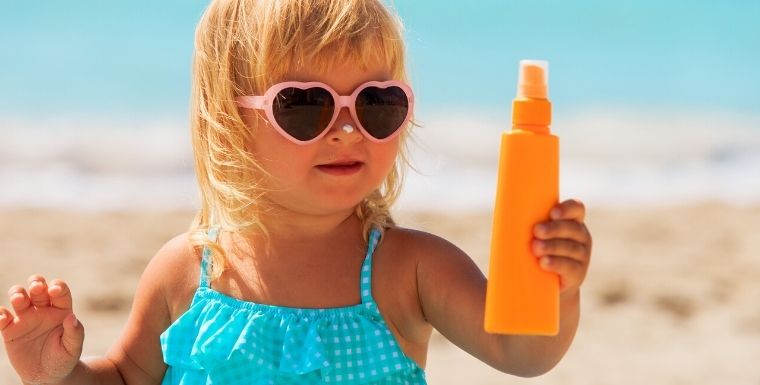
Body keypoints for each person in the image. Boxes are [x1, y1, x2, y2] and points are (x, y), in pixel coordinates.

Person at [0, 0, 593, 384]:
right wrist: (58, 373)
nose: (346, 129)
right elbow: (127, 378)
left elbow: (522, 354)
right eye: (305, 105)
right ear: (230, 122)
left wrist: (557, 292)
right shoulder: (189, 269)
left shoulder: (408, 268)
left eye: (375, 103)